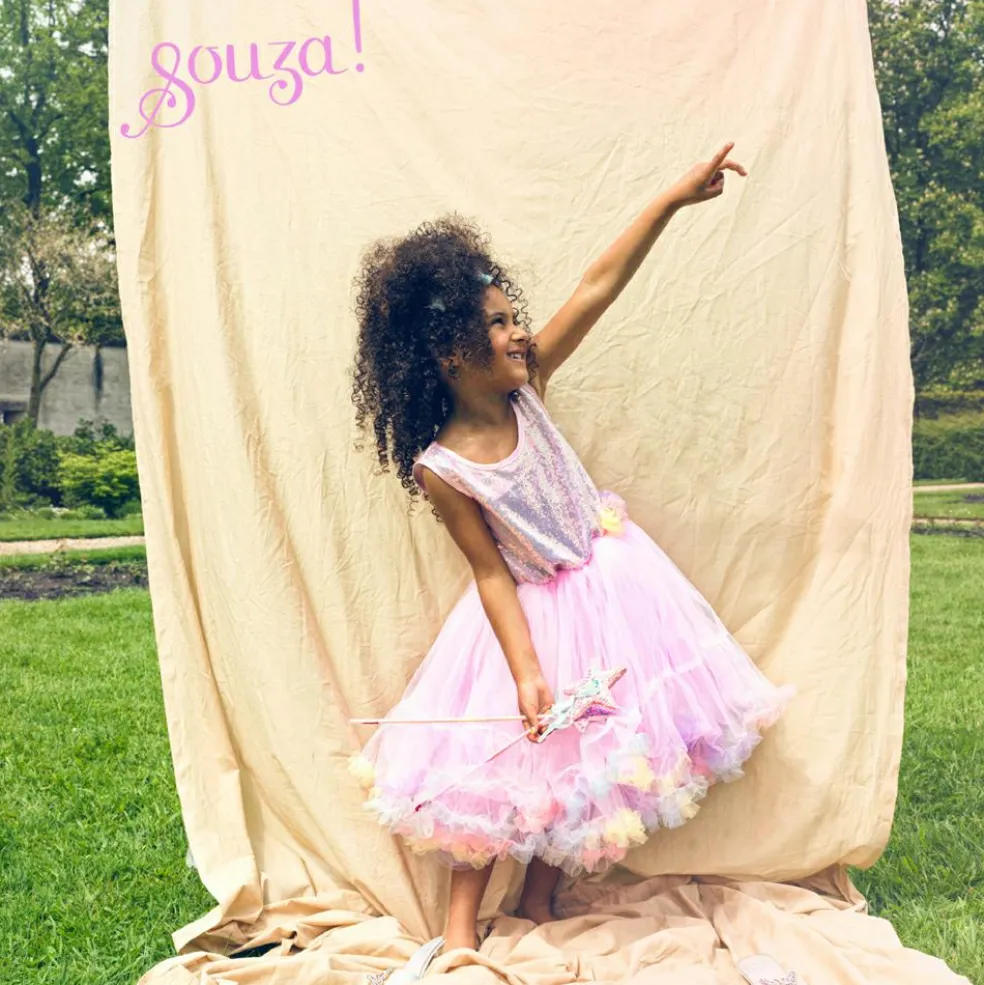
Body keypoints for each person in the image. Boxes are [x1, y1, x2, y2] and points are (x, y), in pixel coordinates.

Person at [348, 143, 794, 953]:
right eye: (498, 324)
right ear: (450, 354)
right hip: (530, 616)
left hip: (615, 590)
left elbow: (596, 286)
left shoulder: (531, 388)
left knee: (579, 765)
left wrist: (671, 201)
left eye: (514, 316)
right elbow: (490, 572)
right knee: (496, 771)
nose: (520, 332)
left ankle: (541, 901)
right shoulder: (443, 468)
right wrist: (525, 671)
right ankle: (459, 931)